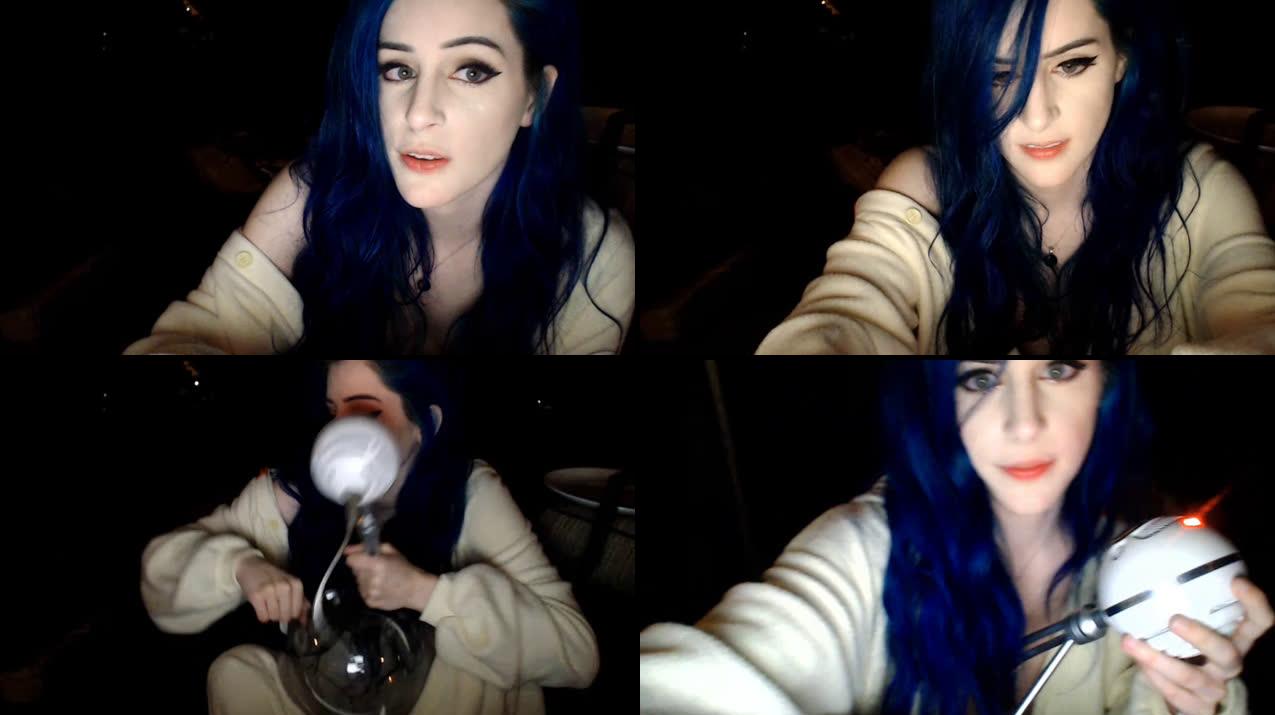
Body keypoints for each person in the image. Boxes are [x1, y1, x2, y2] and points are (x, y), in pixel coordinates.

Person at [640, 360, 1273, 714]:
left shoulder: (1144, 569)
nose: (1024, 425)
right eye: (980, 378)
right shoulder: (863, 550)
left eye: (1057, 369)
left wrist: (1186, 700)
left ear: (1105, 384)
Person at [757, 0, 1275, 355]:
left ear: (1121, 57)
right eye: (998, 75)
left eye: (1072, 64)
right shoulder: (926, 189)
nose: (1036, 115)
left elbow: (1259, 315)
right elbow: (846, 314)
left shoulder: (1200, 194)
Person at [126, 0, 634, 355]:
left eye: (471, 70)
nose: (419, 113)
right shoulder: (313, 193)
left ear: (535, 97)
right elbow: (203, 335)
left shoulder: (593, 253)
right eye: (398, 70)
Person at [142, 360, 599, 714]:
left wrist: (428, 593)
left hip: (441, 699)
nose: (340, 429)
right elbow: (163, 581)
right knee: (235, 673)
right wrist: (241, 567)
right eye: (333, 411)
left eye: (365, 411)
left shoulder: (469, 494)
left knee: (472, 668)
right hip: (328, 693)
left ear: (424, 425)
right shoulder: (292, 493)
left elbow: (577, 655)